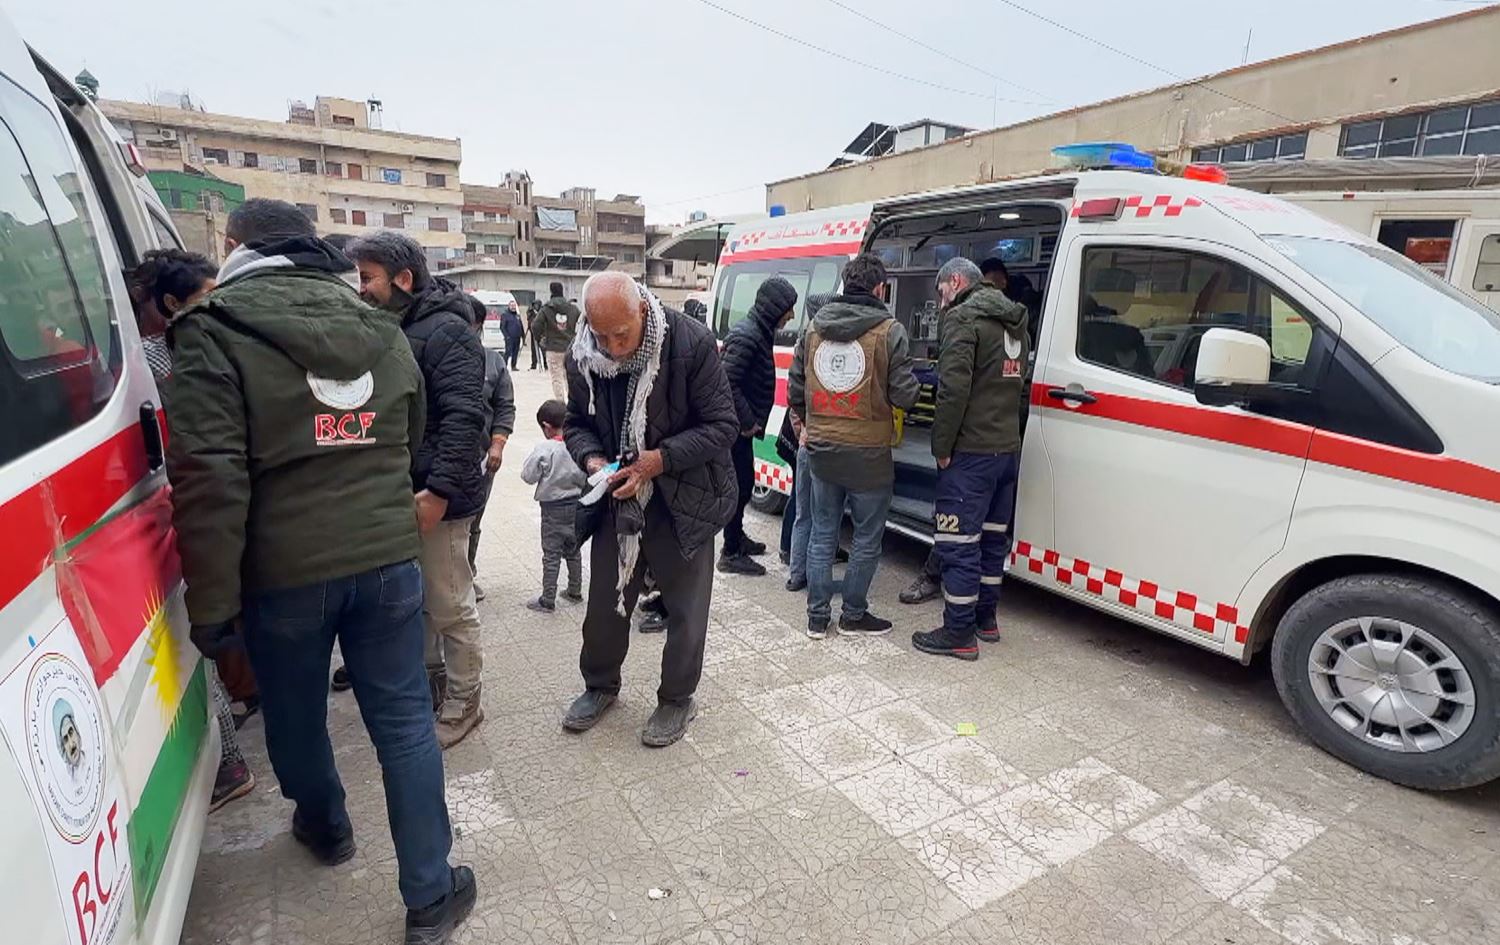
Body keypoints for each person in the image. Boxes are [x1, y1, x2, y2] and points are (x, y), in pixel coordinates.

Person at [165, 198, 475, 943]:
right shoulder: (377, 325)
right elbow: (409, 430)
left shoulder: (212, 332)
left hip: (284, 573)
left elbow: (208, 479)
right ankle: (431, 894)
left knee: (297, 713)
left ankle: (327, 825)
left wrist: (211, 607)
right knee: (404, 723)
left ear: (234, 244)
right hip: (386, 560)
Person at [560, 272, 738, 747]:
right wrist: (593, 458)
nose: (614, 348)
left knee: (686, 608)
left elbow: (723, 426)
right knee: (604, 603)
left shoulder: (690, 343)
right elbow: (575, 424)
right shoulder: (583, 356)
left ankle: (677, 698)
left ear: (641, 309)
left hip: (687, 495)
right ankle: (600, 685)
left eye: (622, 334)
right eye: (603, 335)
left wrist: (658, 461)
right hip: (618, 496)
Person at [347, 231, 488, 750]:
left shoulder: (448, 332)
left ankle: (466, 700)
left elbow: (464, 418)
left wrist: (439, 491)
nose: (360, 289)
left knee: (450, 604)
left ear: (403, 279)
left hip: (438, 498)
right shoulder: (392, 325)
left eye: (368, 278)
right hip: (400, 492)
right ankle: (435, 685)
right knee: (420, 603)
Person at [130, 250, 257, 813]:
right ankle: (233, 742)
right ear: (169, 304)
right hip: (179, 508)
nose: (216, 306)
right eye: (205, 296)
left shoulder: (204, 346)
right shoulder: (158, 359)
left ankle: (230, 754)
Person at [788, 253, 919, 640]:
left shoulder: (813, 329)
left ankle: (816, 617)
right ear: (881, 289)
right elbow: (905, 394)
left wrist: (813, 423)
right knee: (866, 536)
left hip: (822, 449)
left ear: (845, 285)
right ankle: (853, 614)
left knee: (823, 531)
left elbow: (796, 388)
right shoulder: (890, 331)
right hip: (869, 455)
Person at [912, 257, 1030, 661]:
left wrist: (941, 448)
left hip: (971, 455)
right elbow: (1020, 391)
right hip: (1006, 453)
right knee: (994, 540)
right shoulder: (1015, 320)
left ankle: (958, 633)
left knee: (959, 543)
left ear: (957, 281)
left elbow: (953, 391)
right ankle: (986, 619)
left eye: (942, 290)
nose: (941, 300)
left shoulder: (963, 320)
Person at [718, 276, 798, 576]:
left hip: (742, 428)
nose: (791, 316)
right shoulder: (748, 335)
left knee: (745, 483)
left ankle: (737, 538)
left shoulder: (758, 332)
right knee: (738, 487)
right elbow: (728, 381)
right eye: (788, 309)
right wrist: (748, 422)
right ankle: (730, 551)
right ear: (775, 307)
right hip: (737, 428)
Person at [466, 297, 516, 602]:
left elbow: (504, 406)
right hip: (440, 457)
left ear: (478, 326)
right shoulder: (432, 355)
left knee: (474, 519)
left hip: (482, 459)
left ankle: (467, 572)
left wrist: (497, 445)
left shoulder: (494, 362)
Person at [519, 399, 586, 612]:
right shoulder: (578, 445)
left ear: (546, 426)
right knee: (573, 550)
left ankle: (548, 598)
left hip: (552, 510)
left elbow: (528, 475)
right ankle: (575, 590)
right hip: (577, 505)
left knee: (551, 554)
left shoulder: (545, 448)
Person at [538, 281, 580, 399]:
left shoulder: (546, 308)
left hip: (553, 348)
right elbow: (582, 322)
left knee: (556, 378)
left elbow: (536, 325)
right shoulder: (573, 308)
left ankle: (560, 403)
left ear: (551, 291)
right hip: (570, 348)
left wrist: (541, 339)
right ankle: (573, 402)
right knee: (570, 377)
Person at [500, 301, 525, 371]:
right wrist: (506, 336)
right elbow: (502, 327)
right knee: (508, 352)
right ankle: (504, 366)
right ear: (509, 306)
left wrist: (523, 336)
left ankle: (513, 366)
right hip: (509, 338)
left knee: (515, 352)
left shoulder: (517, 315)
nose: (513, 307)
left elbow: (521, 326)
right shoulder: (505, 315)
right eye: (512, 306)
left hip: (517, 337)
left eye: (514, 306)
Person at [527, 299, 545, 371]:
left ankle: (545, 364)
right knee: (533, 349)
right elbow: (530, 321)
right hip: (533, 333)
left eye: (538, 305)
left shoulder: (542, 312)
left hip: (542, 334)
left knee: (543, 349)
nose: (536, 306)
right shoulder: (531, 312)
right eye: (535, 305)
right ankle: (534, 364)